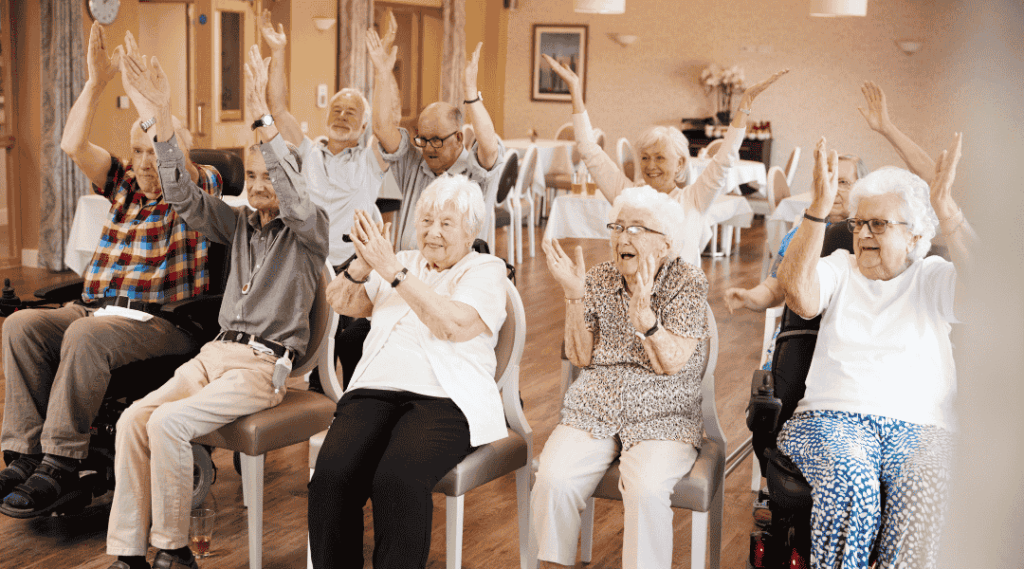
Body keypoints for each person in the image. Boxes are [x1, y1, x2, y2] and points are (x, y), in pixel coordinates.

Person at [102, 43, 328, 569]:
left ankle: (174, 550)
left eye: (269, 176)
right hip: (214, 355)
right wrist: (161, 119)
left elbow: (294, 199)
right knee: (136, 418)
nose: (258, 186)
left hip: (260, 366)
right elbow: (182, 198)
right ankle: (129, 553)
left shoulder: (309, 231)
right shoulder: (240, 224)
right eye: (251, 177)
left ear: (290, 179)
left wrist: (263, 120)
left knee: (167, 423)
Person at [0, 23, 221, 518]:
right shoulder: (122, 185)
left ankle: (61, 462)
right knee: (20, 326)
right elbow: (72, 144)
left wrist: (157, 107)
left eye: (155, 152)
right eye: (138, 152)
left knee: (84, 338)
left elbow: (175, 163)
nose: (146, 163)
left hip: (164, 321)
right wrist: (96, 82)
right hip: (98, 309)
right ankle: (25, 453)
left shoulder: (197, 189)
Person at [774, 136, 974, 568]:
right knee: (851, 479)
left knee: (928, 481)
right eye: (858, 223)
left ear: (915, 234)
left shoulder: (932, 277)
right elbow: (799, 296)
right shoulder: (839, 267)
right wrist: (817, 213)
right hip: (831, 417)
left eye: (878, 225)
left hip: (922, 427)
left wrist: (948, 210)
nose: (862, 233)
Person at [309, 175, 509, 569]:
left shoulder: (486, 269)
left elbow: (451, 325)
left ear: (471, 231)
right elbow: (342, 303)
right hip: (374, 389)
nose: (433, 232)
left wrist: (393, 271)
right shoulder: (401, 258)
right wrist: (362, 268)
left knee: (397, 480)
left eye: (447, 223)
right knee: (331, 480)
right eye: (426, 221)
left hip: (448, 397)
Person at [532, 186, 710, 569]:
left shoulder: (687, 282)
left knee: (646, 489)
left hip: (663, 413)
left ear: (664, 243)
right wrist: (574, 295)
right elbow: (580, 355)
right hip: (596, 407)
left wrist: (647, 324)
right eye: (617, 227)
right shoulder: (598, 278)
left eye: (635, 229)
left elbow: (674, 363)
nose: (622, 237)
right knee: (553, 479)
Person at [542, 55, 787, 265]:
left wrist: (744, 106)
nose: (650, 165)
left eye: (660, 158)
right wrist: (574, 88)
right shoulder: (627, 194)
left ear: (680, 164)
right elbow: (589, 150)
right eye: (645, 157)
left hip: (679, 303)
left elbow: (724, 160)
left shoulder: (694, 199)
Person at [260, 10, 394, 390]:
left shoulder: (370, 159)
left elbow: (387, 126)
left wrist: (382, 71)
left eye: (352, 113)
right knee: (316, 351)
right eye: (336, 110)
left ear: (364, 125)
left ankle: (354, 400)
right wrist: (279, 51)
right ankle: (317, 401)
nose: (342, 116)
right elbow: (278, 109)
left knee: (354, 348)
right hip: (312, 264)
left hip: (356, 265)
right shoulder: (308, 153)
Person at [366, 24, 506, 251]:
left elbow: (489, 148)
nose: (429, 148)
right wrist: (382, 73)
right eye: (423, 139)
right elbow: (382, 128)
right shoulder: (414, 164)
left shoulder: (476, 174)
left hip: (456, 278)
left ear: (459, 138)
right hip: (408, 273)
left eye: (437, 140)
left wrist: (470, 93)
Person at [723, 154, 866, 369]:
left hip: (848, 341)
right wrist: (749, 297)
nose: (832, 188)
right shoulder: (801, 232)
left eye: (843, 182)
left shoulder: (868, 236)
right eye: (826, 180)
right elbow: (774, 288)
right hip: (798, 336)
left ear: (861, 189)